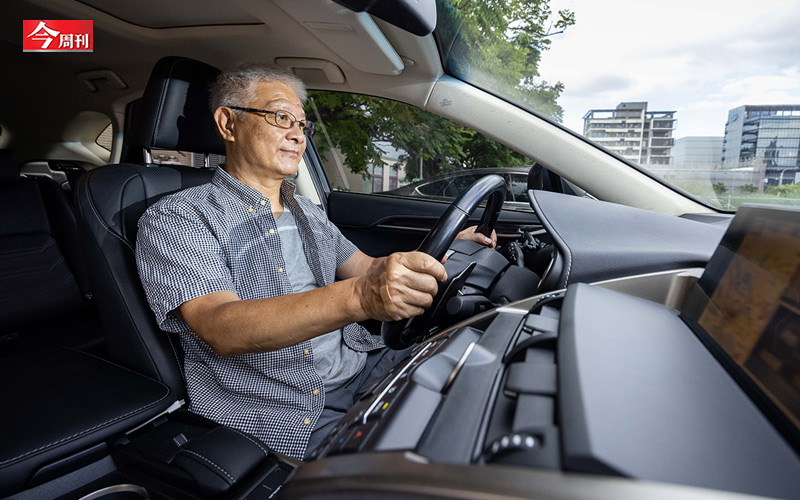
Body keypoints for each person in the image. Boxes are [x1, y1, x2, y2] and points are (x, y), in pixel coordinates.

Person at [135, 63, 497, 459]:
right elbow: (221, 326)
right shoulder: (179, 218)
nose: (297, 134)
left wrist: (440, 251)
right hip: (285, 409)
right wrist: (360, 298)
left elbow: (366, 268)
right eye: (280, 117)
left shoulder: (306, 210)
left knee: (482, 380)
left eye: (302, 124)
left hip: (363, 365)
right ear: (228, 123)